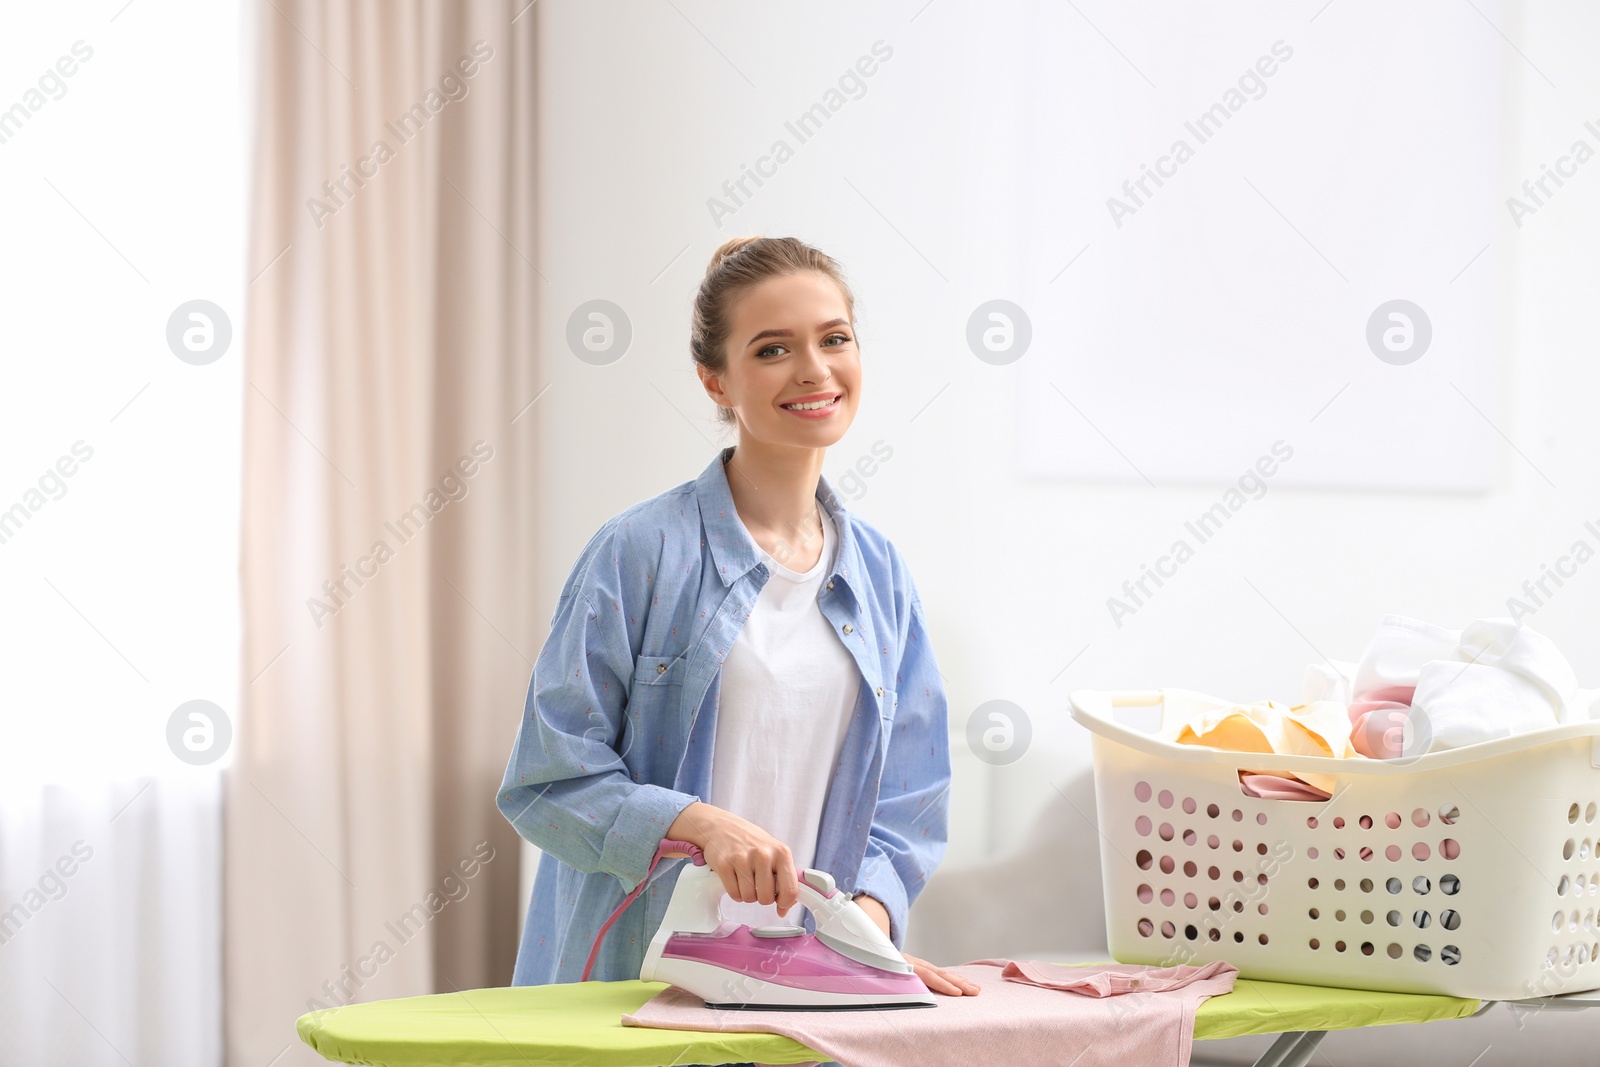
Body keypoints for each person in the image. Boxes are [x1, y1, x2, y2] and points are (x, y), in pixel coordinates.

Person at [495, 237, 980, 1039]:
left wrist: (861, 935)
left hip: (804, 1011)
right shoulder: (638, 552)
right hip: (635, 995)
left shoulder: (882, 573)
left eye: (834, 338)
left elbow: (909, 801)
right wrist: (699, 822)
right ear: (715, 380)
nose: (815, 370)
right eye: (773, 349)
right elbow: (547, 782)